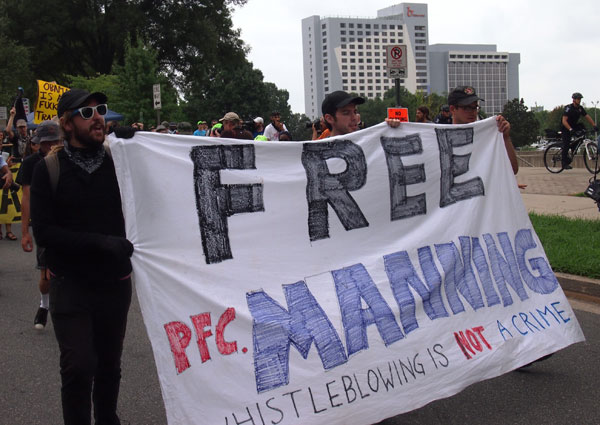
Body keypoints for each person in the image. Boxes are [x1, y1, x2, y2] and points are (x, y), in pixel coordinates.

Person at [30, 88, 134, 425]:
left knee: (108, 366)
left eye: (101, 109)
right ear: (67, 123)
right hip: (70, 284)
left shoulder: (121, 165)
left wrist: (140, 146)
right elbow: (44, 232)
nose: (98, 118)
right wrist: (100, 243)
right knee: (78, 367)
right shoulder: (48, 169)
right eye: (86, 113)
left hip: (114, 284)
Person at [16, 120, 61, 330]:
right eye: (46, 143)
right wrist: (25, 232)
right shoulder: (31, 164)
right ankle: (44, 304)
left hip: (70, 224)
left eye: (55, 141)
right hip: (45, 225)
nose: (51, 146)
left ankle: (68, 311)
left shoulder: (69, 158)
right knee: (45, 275)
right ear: (37, 144)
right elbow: (26, 197)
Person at [448, 86, 518, 174]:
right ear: (452, 109)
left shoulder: (487, 136)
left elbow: (512, 169)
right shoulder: (440, 140)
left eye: (475, 107)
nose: (473, 112)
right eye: (467, 108)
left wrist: (505, 138)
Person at [321, 90, 400, 137]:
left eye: (355, 112)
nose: (354, 117)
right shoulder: (319, 151)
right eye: (346, 113)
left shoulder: (369, 141)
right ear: (329, 118)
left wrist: (394, 131)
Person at [560, 92, 599, 169]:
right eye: (578, 99)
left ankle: (574, 146)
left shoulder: (580, 108)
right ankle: (564, 163)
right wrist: (570, 129)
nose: (579, 100)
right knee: (566, 144)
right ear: (574, 100)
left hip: (574, 126)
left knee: (582, 129)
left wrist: (594, 125)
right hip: (565, 127)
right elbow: (564, 121)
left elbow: (587, 117)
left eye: (580, 99)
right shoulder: (568, 108)